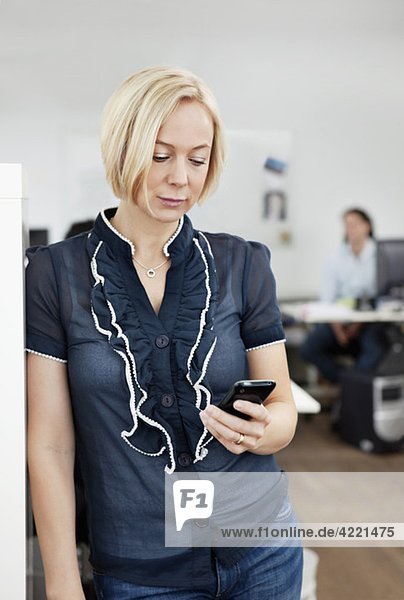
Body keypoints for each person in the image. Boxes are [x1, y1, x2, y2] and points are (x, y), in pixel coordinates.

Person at [26, 66, 302, 600]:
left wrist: (262, 430)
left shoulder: (244, 263)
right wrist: (61, 580)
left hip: (261, 552)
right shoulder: (54, 275)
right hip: (140, 569)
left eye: (198, 159)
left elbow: (284, 409)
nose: (181, 177)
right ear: (122, 149)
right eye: (160, 155)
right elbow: (51, 445)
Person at [300, 208, 387, 384]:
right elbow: (327, 299)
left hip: (368, 323)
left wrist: (358, 323)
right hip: (338, 322)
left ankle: (355, 388)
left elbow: (380, 295)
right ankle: (348, 384)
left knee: (376, 349)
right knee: (309, 348)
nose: (350, 229)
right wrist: (338, 328)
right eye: (347, 225)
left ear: (367, 226)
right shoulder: (335, 258)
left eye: (355, 224)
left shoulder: (381, 256)